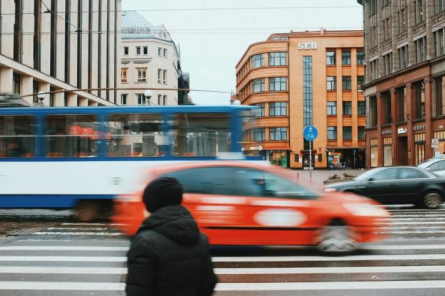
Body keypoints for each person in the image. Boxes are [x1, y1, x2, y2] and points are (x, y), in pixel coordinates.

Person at [126, 177, 218, 296]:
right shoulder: (201, 239)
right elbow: (209, 283)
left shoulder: (145, 243)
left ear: (151, 205)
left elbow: (138, 290)